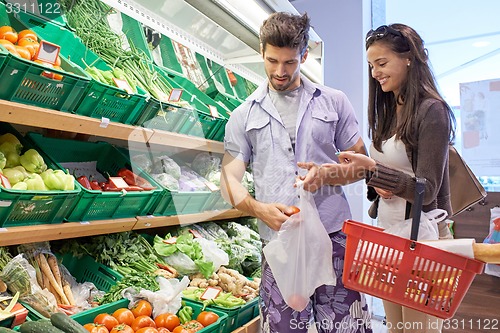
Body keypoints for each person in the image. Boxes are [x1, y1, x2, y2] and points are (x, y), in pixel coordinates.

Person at [220, 11, 372, 333]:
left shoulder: (333, 102)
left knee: (348, 327)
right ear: (262, 51)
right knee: (283, 329)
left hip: (334, 237)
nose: (280, 71)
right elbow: (228, 182)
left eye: (289, 62)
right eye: (273, 60)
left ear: (304, 54)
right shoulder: (243, 115)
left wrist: (327, 174)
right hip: (280, 243)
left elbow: (362, 165)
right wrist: (259, 209)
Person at [330, 24, 456, 333]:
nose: (375, 73)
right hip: (390, 233)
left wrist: (375, 172)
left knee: (418, 329)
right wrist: (375, 182)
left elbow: (427, 191)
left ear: (409, 58)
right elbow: (390, 173)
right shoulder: (389, 108)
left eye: (382, 63)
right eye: (372, 65)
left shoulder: (432, 111)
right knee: (396, 327)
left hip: (424, 238)